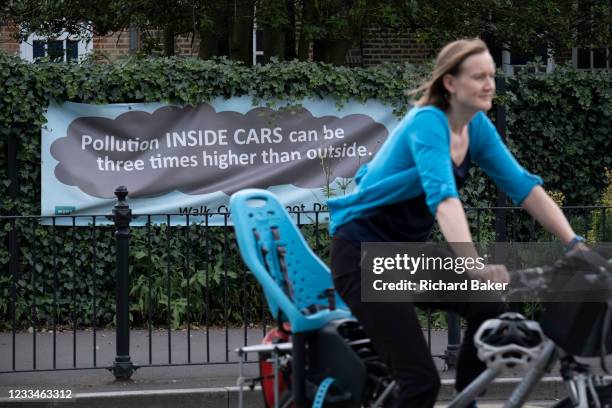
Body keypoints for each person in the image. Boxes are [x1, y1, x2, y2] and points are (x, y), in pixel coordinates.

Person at [327, 38, 587, 408]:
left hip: (406, 257)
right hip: (362, 256)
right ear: (450, 83)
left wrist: (574, 242)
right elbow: (444, 200)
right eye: (478, 76)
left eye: (492, 76)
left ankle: (468, 403)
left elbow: (524, 188)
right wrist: (471, 264)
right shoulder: (428, 122)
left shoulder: (476, 128)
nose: (490, 84)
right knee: (419, 382)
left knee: (488, 304)